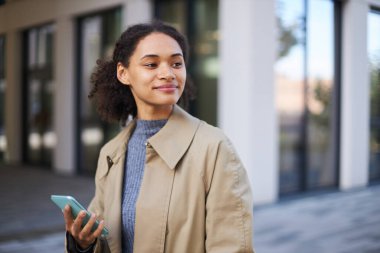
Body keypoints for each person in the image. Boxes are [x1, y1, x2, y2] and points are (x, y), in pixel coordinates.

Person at [62, 21, 254, 253]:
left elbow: (231, 247)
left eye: (176, 63)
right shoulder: (111, 153)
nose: (168, 73)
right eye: (152, 64)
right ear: (123, 73)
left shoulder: (214, 148)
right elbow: (106, 239)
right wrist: (84, 243)